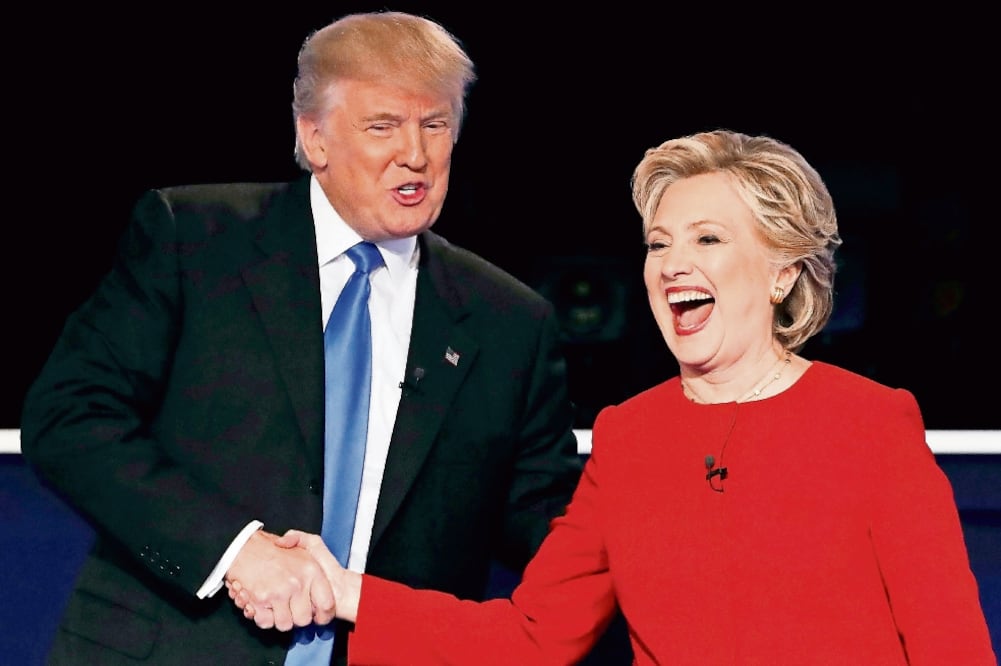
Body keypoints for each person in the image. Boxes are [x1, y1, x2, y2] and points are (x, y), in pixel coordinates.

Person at [235, 129, 998, 665]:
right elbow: (531, 639)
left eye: (706, 239)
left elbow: (950, 650)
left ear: (781, 274)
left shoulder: (869, 423)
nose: (671, 264)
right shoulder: (629, 437)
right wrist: (345, 592)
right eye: (658, 243)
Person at [19, 11, 586, 665]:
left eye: (435, 124)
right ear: (314, 137)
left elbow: (541, 515)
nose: (416, 154)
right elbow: (70, 419)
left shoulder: (508, 319)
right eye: (383, 126)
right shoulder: (194, 239)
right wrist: (234, 549)